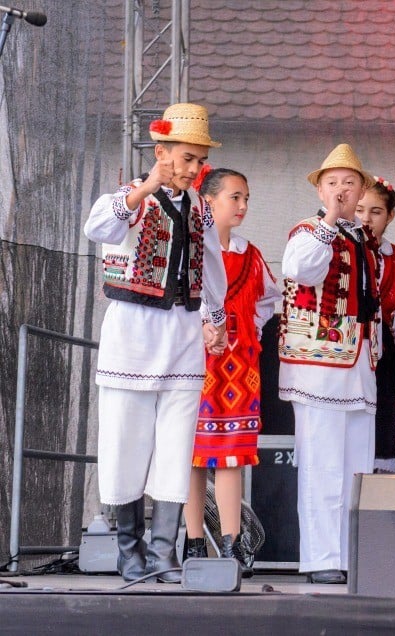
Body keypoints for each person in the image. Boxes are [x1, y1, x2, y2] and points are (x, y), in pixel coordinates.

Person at [83, 103, 227, 583]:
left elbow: (211, 269)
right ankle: (130, 550)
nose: (193, 169)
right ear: (161, 152)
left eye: (198, 161)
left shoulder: (201, 209)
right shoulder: (131, 198)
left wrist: (216, 317)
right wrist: (146, 185)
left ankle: (164, 551)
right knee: (124, 441)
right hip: (132, 335)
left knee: (174, 446)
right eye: (187, 158)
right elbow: (98, 228)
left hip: (183, 336)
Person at [277, 143, 381, 584]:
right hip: (318, 365)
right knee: (321, 464)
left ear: (362, 192)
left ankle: (349, 555)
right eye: (332, 182)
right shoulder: (308, 230)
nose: (341, 189)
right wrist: (329, 223)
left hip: (357, 364)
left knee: (356, 465)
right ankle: (321, 558)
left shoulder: (361, 238)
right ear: (320, 191)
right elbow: (302, 269)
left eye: (349, 183)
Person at [182, 167, 282, 577]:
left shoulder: (251, 254)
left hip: (239, 369)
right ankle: (192, 542)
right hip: (193, 363)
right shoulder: (190, 249)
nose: (241, 206)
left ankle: (231, 543)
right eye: (233, 197)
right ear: (207, 201)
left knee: (230, 457)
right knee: (190, 455)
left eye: (245, 199)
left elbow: (267, 300)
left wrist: (247, 332)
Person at [356, 176, 395, 473]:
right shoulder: (344, 248)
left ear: (390, 216)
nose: (366, 218)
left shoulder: (394, 258)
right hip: (348, 343)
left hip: (382, 347)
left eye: (375, 212)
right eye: (361, 209)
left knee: (383, 413)